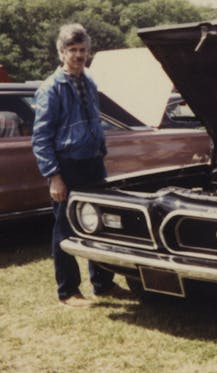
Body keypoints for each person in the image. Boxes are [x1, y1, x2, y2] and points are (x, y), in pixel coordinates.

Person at [32, 23, 127, 307]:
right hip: (67, 166)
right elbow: (41, 138)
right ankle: (68, 291)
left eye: (82, 50)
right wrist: (53, 176)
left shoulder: (89, 81)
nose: (78, 55)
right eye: (72, 50)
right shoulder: (51, 89)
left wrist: (100, 149)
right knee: (65, 227)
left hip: (92, 162)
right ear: (61, 53)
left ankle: (103, 283)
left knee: (99, 223)